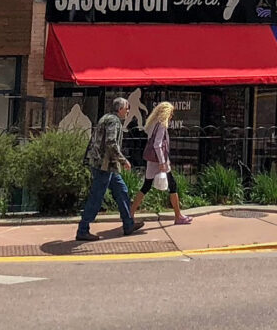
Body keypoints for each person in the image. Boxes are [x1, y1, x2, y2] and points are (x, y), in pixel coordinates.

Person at [75, 98, 139, 243]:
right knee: (96, 197)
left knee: (122, 191)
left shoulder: (106, 118)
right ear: (120, 109)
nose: (128, 111)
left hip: (106, 165)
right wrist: (123, 160)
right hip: (104, 166)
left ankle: (128, 224)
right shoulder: (114, 121)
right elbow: (111, 143)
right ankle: (82, 230)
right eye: (127, 108)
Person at [137, 102, 191, 227]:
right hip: (160, 162)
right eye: (171, 113)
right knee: (172, 186)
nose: (171, 116)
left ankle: (131, 213)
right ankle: (178, 217)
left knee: (146, 186)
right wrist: (162, 162)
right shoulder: (161, 125)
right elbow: (157, 144)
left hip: (152, 161)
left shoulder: (152, 123)